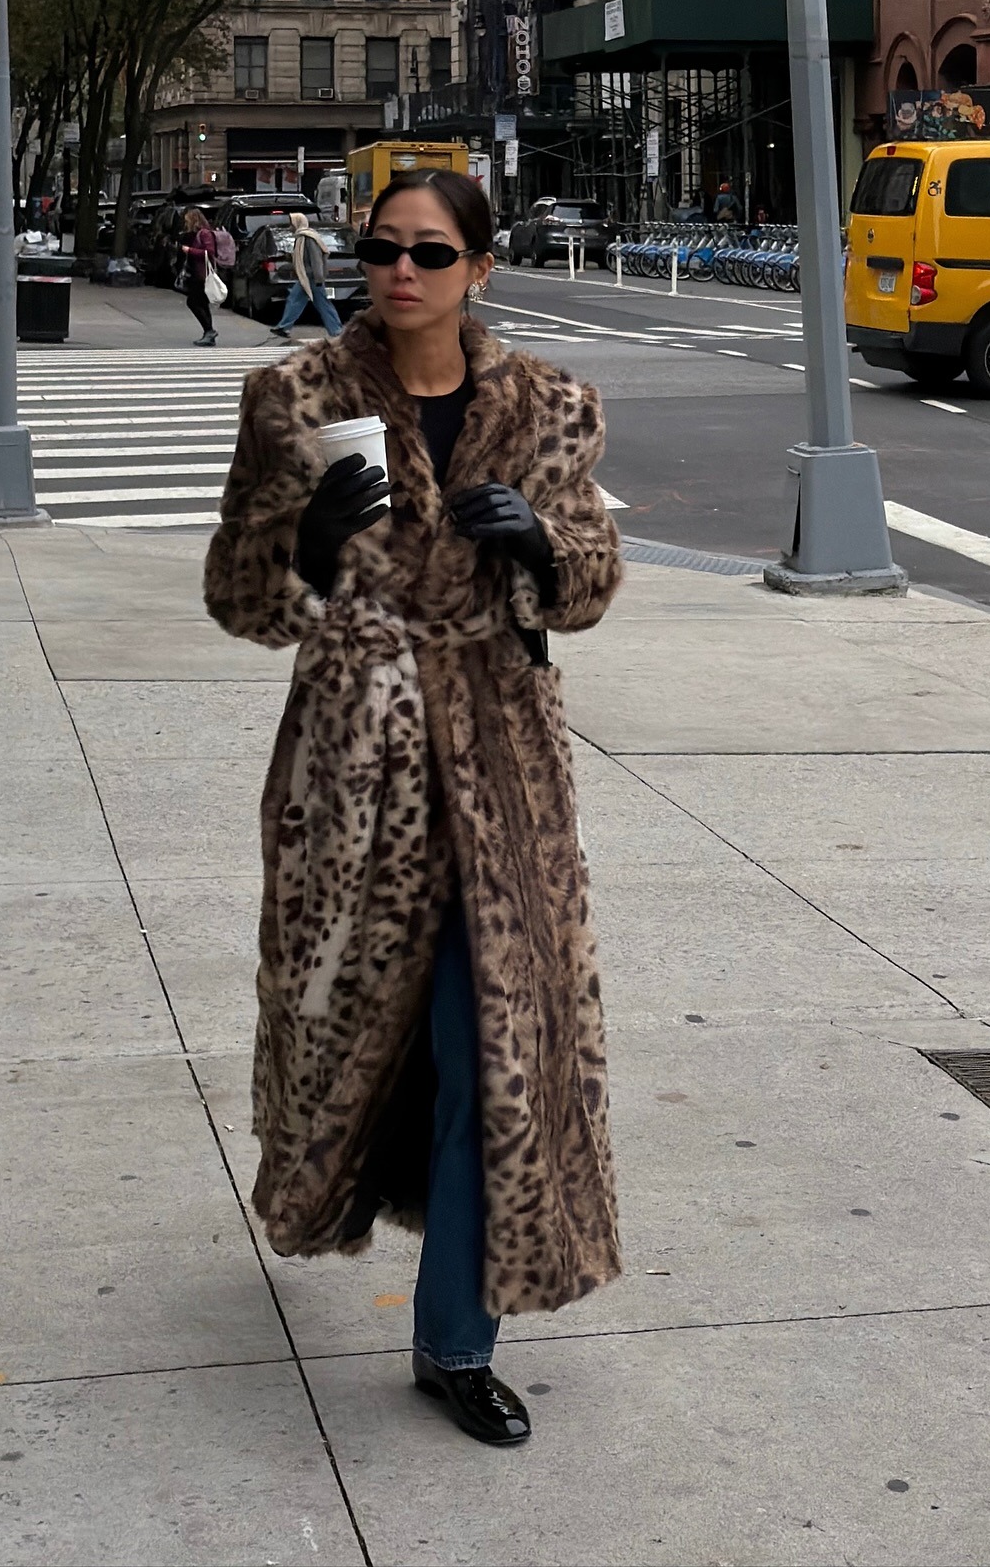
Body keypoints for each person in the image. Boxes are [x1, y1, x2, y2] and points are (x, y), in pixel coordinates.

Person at [205, 168, 622, 1448]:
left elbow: (596, 581)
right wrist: (311, 557)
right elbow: (238, 593)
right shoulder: (296, 397)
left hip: (502, 776)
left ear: (480, 269)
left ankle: (455, 1342)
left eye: (429, 254)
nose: (400, 273)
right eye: (380, 250)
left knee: (495, 1048)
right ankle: (326, 1179)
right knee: (344, 1033)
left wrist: (547, 554)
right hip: (353, 774)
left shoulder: (553, 408)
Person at [271, 211, 342, 341]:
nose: (291, 226)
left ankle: (337, 330)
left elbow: (316, 259)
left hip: (312, 277)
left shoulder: (308, 237)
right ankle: (284, 327)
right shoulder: (301, 237)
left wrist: (319, 277)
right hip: (306, 276)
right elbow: (301, 257)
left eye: (292, 223)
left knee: (322, 303)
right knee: (295, 300)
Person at [179, 207, 219, 346]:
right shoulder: (199, 233)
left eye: (187, 220)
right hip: (198, 273)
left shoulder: (205, 233)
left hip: (202, 274)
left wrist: (190, 250)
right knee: (201, 303)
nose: (186, 223)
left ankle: (209, 330)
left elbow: (209, 252)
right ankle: (209, 332)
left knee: (193, 302)